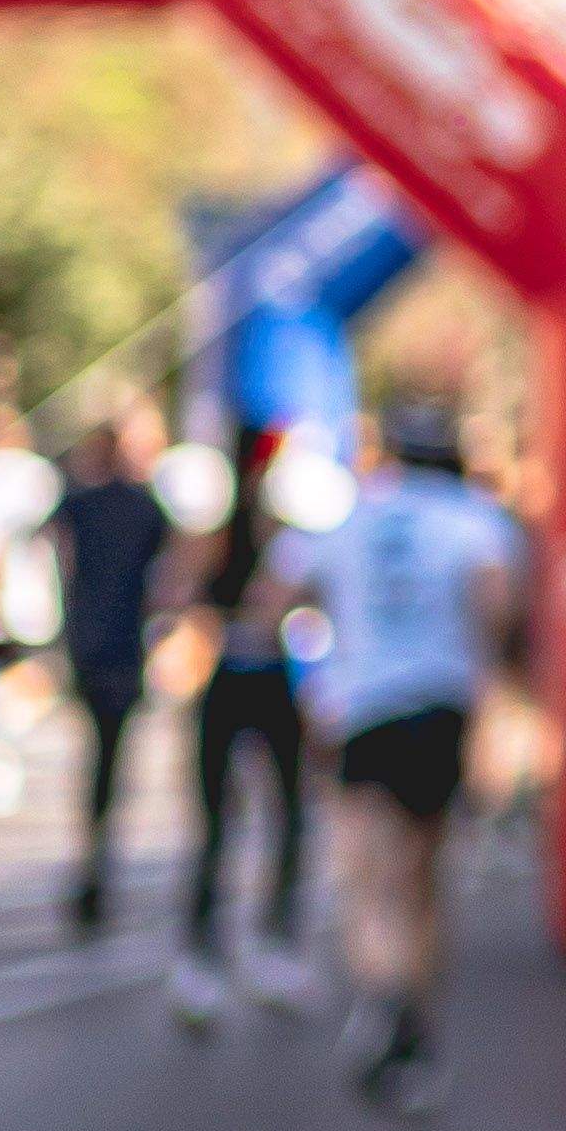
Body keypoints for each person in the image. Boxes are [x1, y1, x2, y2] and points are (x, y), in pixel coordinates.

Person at [257, 397, 525, 1113]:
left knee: (366, 876)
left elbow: (276, 595)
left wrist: (327, 639)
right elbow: (497, 612)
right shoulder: (474, 519)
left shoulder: (349, 517)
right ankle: (413, 1016)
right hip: (440, 708)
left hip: (364, 711)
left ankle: (387, 997)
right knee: (423, 873)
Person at [178, 426, 311, 1000]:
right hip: (238, 676)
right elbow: (185, 595)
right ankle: (214, 948)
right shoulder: (228, 536)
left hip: (255, 678)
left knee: (273, 815)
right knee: (228, 819)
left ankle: (262, 941)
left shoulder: (274, 534)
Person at [50, 404, 170, 945]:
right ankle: (98, 864)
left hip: (89, 642)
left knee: (96, 761)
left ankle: (92, 864)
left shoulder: (81, 504)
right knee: (110, 761)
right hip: (120, 647)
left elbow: (58, 554)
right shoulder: (144, 508)